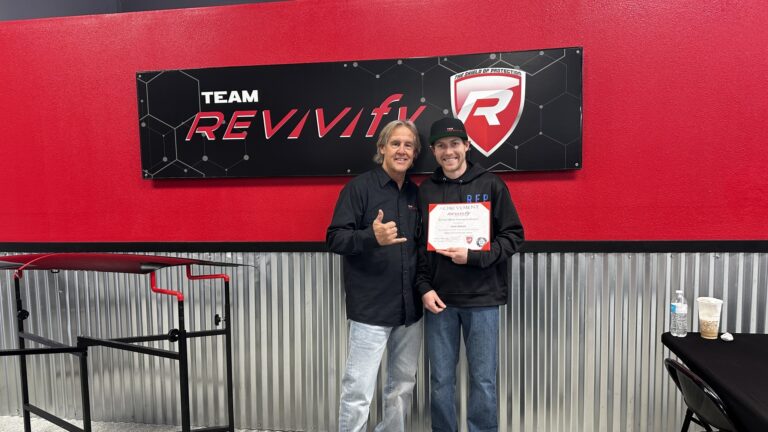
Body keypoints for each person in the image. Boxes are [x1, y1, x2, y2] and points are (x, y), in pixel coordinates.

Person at [416, 117, 524, 432]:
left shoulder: (491, 184)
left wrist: (475, 257)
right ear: (434, 151)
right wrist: (423, 286)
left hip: (483, 300)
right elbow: (419, 248)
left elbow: (513, 236)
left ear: (466, 145)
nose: (448, 151)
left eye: (454, 144)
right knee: (440, 381)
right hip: (440, 301)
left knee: (484, 380)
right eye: (441, 146)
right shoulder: (426, 191)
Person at [326, 119, 424, 432]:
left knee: (401, 388)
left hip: (410, 312)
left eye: (409, 145)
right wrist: (371, 236)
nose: (402, 150)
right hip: (370, 310)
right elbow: (336, 239)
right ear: (381, 148)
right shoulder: (359, 189)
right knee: (357, 390)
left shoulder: (415, 194)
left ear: (415, 153)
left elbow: (421, 248)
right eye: (395, 143)